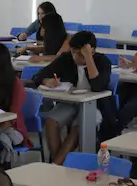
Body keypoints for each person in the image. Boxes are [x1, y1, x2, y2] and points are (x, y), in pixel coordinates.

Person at [28, 30, 116, 165]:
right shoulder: (66, 58)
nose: (75, 57)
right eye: (74, 52)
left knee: (79, 126)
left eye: (80, 53)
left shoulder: (102, 61)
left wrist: (88, 58)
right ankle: (60, 164)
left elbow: (98, 86)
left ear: (92, 52)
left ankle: (56, 165)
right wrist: (47, 81)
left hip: (96, 105)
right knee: (51, 122)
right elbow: (39, 76)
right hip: (71, 103)